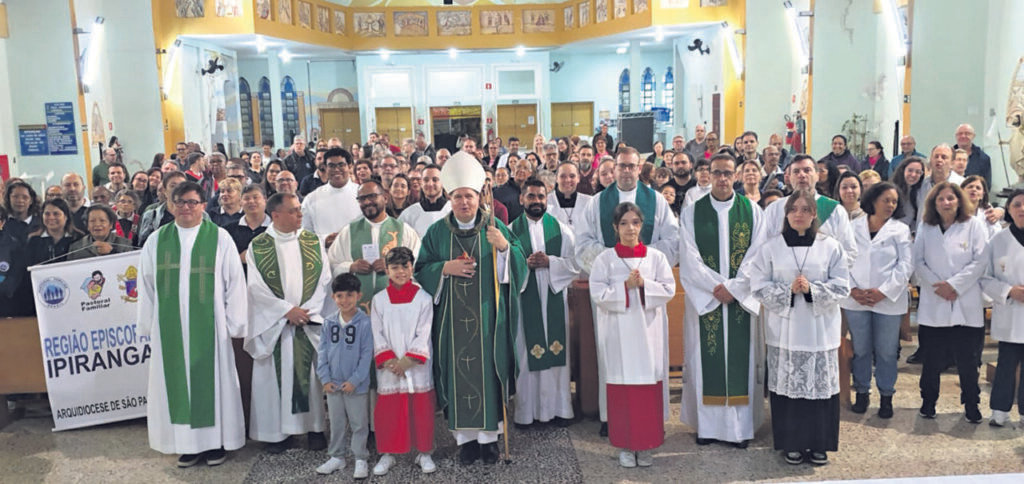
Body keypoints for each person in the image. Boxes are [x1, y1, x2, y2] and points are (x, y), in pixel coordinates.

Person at [413, 151, 527, 465]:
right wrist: (444, 268)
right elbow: (420, 270)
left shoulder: (495, 228)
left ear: (479, 196)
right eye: (459, 196)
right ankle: (466, 442)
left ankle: (490, 441)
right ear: (450, 197)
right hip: (452, 322)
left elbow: (520, 270)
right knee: (458, 374)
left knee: (489, 372)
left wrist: (504, 249)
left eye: (470, 196)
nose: (465, 202)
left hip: (490, 319)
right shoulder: (437, 233)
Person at [137, 181, 249, 467]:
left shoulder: (219, 238)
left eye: (192, 202)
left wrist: (235, 322)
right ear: (172, 204)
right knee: (178, 383)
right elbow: (146, 285)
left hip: (211, 327)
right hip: (170, 328)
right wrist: (148, 324)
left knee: (214, 382)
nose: (186, 207)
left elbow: (234, 282)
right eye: (180, 202)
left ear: (203, 205)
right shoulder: (157, 240)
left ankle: (215, 444)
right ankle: (186, 444)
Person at [575, 147, 679, 435]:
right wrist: (614, 263)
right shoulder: (597, 203)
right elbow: (582, 243)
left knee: (649, 357)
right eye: (621, 166)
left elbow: (672, 239)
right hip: (613, 296)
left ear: (640, 168)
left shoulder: (656, 201)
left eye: (632, 166)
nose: (626, 171)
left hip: (647, 296)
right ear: (612, 168)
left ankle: (650, 415)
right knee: (613, 355)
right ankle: (612, 416)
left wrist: (644, 262)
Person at [749, 189, 850, 466]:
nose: (799, 214)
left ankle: (820, 444)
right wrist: (787, 290)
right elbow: (757, 286)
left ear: (814, 214)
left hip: (820, 331)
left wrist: (812, 290)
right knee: (788, 390)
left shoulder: (831, 246)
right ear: (787, 214)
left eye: (806, 209)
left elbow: (843, 285)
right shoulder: (771, 248)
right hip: (785, 331)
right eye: (794, 209)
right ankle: (790, 444)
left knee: (820, 391)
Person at [677, 152, 766, 448]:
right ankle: (708, 428)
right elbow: (689, 259)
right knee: (706, 360)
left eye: (728, 173)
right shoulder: (691, 212)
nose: (723, 178)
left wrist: (736, 289)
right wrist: (718, 288)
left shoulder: (752, 211)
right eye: (717, 173)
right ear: (708, 174)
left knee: (741, 360)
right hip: (708, 300)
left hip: (738, 301)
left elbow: (757, 256)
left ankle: (739, 430)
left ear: (737, 175)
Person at [244, 193, 333, 454]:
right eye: (294, 211)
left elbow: (324, 281)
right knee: (273, 379)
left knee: (312, 378)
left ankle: (315, 429)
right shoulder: (258, 245)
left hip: (307, 322)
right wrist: (285, 311)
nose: (300, 215)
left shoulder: (313, 242)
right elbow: (256, 288)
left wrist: (305, 312)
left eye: (299, 210)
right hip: (276, 325)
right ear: (276, 215)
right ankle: (277, 434)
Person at [589, 202, 676, 468]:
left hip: (649, 335)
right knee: (621, 389)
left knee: (647, 388)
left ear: (642, 225)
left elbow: (668, 289)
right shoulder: (605, 259)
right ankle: (626, 445)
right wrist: (624, 287)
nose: (630, 228)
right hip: (617, 334)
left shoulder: (656, 258)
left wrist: (644, 285)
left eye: (635, 222)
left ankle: (646, 444)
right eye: (624, 223)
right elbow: (598, 294)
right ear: (615, 227)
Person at [913, 181, 988, 422]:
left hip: (965, 299)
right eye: (941, 199)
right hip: (935, 300)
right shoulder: (926, 226)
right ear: (933, 203)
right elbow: (918, 262)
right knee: (932, 360)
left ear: (959, 201)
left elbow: (980, 261)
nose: (946, 203)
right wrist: (939, 286)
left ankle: (972, 405)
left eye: (951, 198)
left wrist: (954, 285)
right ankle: (928, 402)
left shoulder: (973, 225)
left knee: (967, 360)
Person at [509, 178, 580, 428]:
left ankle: (559, 410)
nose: (536, 201)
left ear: (547, 199)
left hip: (553, 298)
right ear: (521, 199)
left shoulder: (561, 230)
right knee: (526, 355)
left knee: (556, 352)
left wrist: (551, 262)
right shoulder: (510, 231)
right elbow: (501, 269)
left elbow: (575, 264)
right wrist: (523, 265)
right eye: (531, 196)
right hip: (524, 300)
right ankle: (526, 414)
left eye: (541, 196)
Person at [842, 182, 913, 418]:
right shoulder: (852, 227)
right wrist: (853, 289)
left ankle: (886, 395)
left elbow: (905, 265)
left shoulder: (900, 230)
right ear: (873, 201)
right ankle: (862, 391)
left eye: (894, 201)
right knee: (861, 349)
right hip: (857, 299)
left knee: (886, 351)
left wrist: (884, 291)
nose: (891, 205)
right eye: (886, 200)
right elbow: (842, 260)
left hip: (888, 300)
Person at [367, 247, 437, 476]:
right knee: (388, 411)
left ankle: (424, 452)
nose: (400, 271)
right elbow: (377, 332)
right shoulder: (379, 300)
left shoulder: (423, 298)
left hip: (415, 367)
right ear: (386, 270)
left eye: (405, 266)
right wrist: (389, 361)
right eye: (394, 267)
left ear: (412, 267)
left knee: (421, 409)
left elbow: (424, 332)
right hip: (390, 368)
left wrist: (407, 361)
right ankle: (388, 453)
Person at [327, 180, 422, 318]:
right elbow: (332, 264)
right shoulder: (349, 231)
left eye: (372, 196)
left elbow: (417, 265)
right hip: (358, 312)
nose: (367, 202)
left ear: (385, 197)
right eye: (362, 199)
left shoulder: (404, 230)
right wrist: (351, 267)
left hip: (396, 310)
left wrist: (393, 268)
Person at [315, 273, 373, 478]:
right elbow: (322, 352)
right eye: (340, 296)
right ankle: (337, 457)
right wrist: (325, 379)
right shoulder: (329, 322)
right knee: (337, 422)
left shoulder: (365, 323)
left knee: (358, 423)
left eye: (349, 295)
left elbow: (366, 356)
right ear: (333, 298)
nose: (344, 300)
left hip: (355, 385)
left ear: (359, 295)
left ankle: (360, 458)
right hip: (333, 385)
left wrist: (355, 380)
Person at [762, 155, 858, 269]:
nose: (802, 175)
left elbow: (849, 251)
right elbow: (763, 247)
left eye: (807, 170)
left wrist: (824, 271)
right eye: (796, 171)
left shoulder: (835, 210)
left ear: (817, 175)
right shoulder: (775, 209)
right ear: (789, 177)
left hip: (823, 282)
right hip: (782, 280)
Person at [982, 189, 1024, 427]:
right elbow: (985, 278)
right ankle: (999, 410)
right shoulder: (998, 241)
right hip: (1010, 312)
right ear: (1008, 209)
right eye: (1016, 204)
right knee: (1006, 364)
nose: (1022, 209)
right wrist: (1010, 292)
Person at [301, 148, 361, 247]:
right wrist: (324, 240)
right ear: (325, 167)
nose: (336, 169)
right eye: (331, 166)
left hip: (357, 255)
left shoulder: (361, 194)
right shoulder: (312, 198)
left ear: (350, 166)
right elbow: (304, 233)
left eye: (341, 165)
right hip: (324, 256)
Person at [26, 199, 81, 266]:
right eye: (47, 214)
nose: (51, 217)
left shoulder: (78, 238)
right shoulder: (34, 240)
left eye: (56, 214)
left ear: (66, 216)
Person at [399, 164, 450, 236]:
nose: (430, 184)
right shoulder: (409, 214)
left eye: (435, 180)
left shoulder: (453, 210)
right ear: (421, 183)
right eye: (426, 180)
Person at [68, 205, 133, 260]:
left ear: (111, 224)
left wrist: (112, 252)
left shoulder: (125, 245)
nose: (97, 224)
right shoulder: (75, 248)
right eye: (92, 221)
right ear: (87, 225)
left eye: (102, 221)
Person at [547, 161, 593, 231]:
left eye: (572, 176)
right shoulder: (546, 202)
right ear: (556, 178)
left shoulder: (589, 202)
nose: (567, 180)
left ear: (578, 178)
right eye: (563, 176)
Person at [891, 157, 927, 229]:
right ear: (903, 170)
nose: (913, 175)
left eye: (918, 172)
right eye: (910, 170)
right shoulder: (891, 192)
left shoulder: (918, 193)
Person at [955, 123, 992, 188]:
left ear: (973, 136)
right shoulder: (948, 156)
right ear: (956, 136)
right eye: (960, 134)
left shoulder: (983, 158)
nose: (963, 136)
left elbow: (986, 185)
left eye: (967, 133)